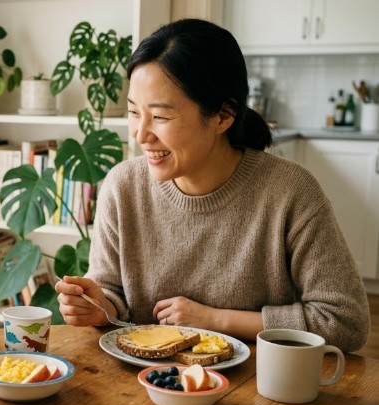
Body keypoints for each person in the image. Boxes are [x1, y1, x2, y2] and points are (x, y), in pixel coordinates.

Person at [55, 19, 370, 352]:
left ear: (223, 115)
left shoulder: (289, 192)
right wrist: (97, 305)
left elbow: (345, 322)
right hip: (141, 386)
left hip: (259, 389)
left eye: (160, 117)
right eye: (134, 112)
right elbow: (113, 298)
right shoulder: (123, 187)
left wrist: (215, 320)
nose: (140, 134)